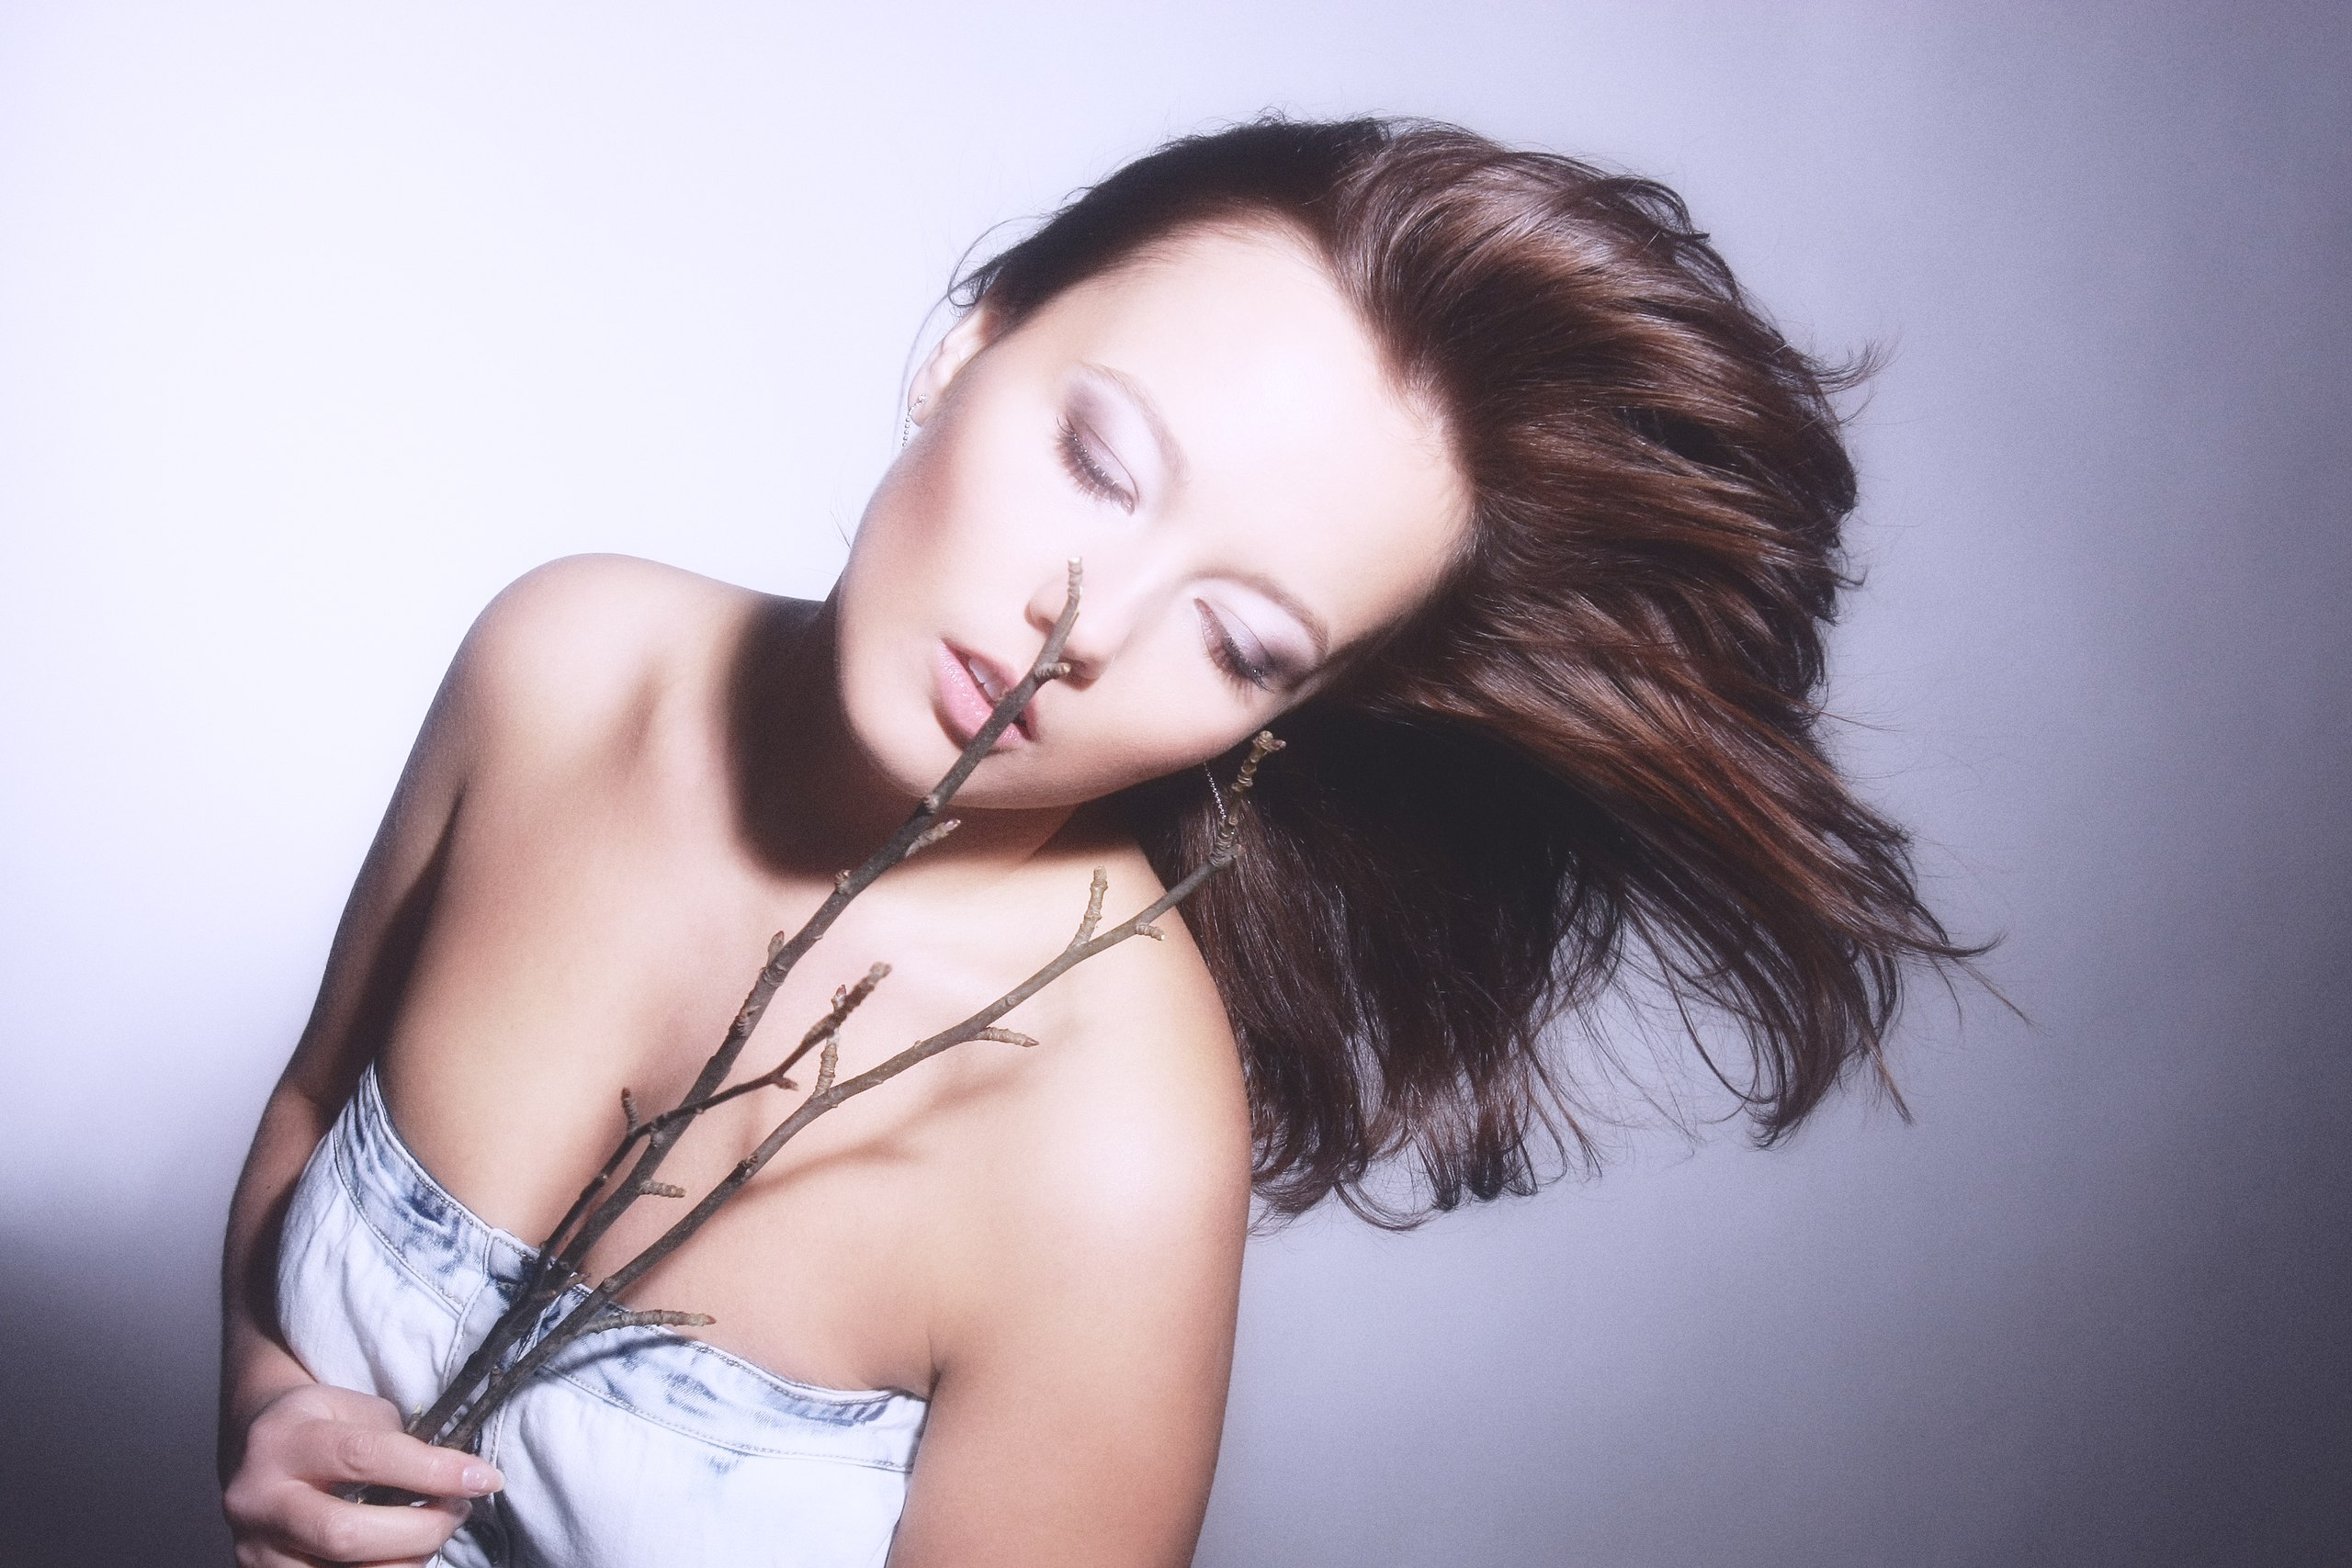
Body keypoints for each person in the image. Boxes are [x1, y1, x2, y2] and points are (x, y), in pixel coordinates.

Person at [218, 116, 1971, 1567]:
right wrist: (274, 1418)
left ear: (1283, 718)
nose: (1088, 625)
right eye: (1099, 463)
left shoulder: (1110, 1144)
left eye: (1241, 641)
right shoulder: (566, 661)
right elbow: (309, 1113)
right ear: (969, 340)